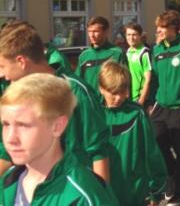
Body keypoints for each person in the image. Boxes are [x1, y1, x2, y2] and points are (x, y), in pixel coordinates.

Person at [0, 21, 110, 181]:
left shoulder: (76, 91)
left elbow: (98, 150)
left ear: (21, 61)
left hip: (73, 189)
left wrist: (101, 196)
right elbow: (6, 150)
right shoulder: (19, 93)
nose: (3, 75)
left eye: (2, 66)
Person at [0, 73, 118, 205]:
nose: (10, 138)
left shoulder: (82, 195)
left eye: (23, 125)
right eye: (6, 124)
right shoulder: (8, 182)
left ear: (57, 126)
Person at [98, 62, 167, 206]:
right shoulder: (93, 114)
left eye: (122, 92)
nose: (118, 98)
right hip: (102, 194)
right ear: (101, 89)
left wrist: (156, 191)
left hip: (134, 192)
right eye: (113, 92)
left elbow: (151, 152)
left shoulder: (136, 113)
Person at [150, 10, 180, 205]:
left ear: (173, 28)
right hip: (160, 108)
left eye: (162, 27)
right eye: (158, 28)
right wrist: (150, 104)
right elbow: (153, 79)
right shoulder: (157, 50)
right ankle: (172, 178)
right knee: (158, 144)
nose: (159, 31)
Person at [75, 16, 127, 93]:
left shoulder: (117, 53)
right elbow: (78, 83)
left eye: (95, 31)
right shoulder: (84, 56)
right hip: (91, 103)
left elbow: (126, 82)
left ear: (106, 32)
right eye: (89, 31)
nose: (91, 35)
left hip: (111, 103)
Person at [125, 22, 152, 106]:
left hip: (140, 100)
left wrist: (141, 101)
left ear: (140, 36)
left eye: (134, 35)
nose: (131, 38)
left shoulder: (144, 53)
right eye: (128, 35)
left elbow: (148, 80)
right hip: (128, 98)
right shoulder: (128, 52)